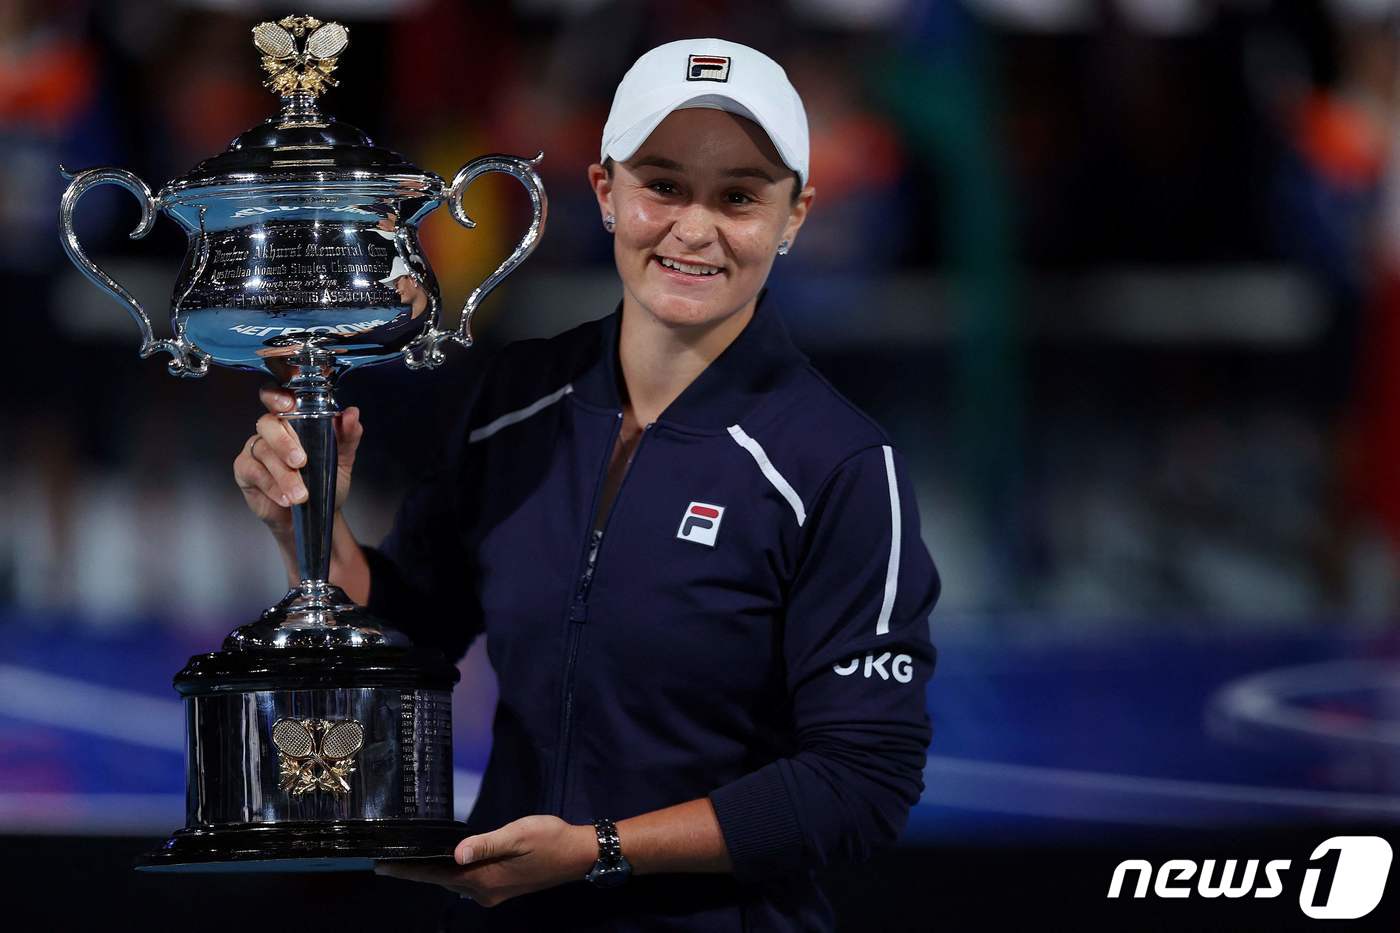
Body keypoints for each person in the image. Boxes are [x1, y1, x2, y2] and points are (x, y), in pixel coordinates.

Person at [233, 37, 941, 932]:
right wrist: (313, 525)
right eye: (664, 184)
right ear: (605, 191)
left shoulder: (839, 465)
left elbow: (862, 782)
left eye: (740, 197)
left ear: (795, 215)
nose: (694, 228)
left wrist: (601, 848)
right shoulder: (516, 403)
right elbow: (417, 629)